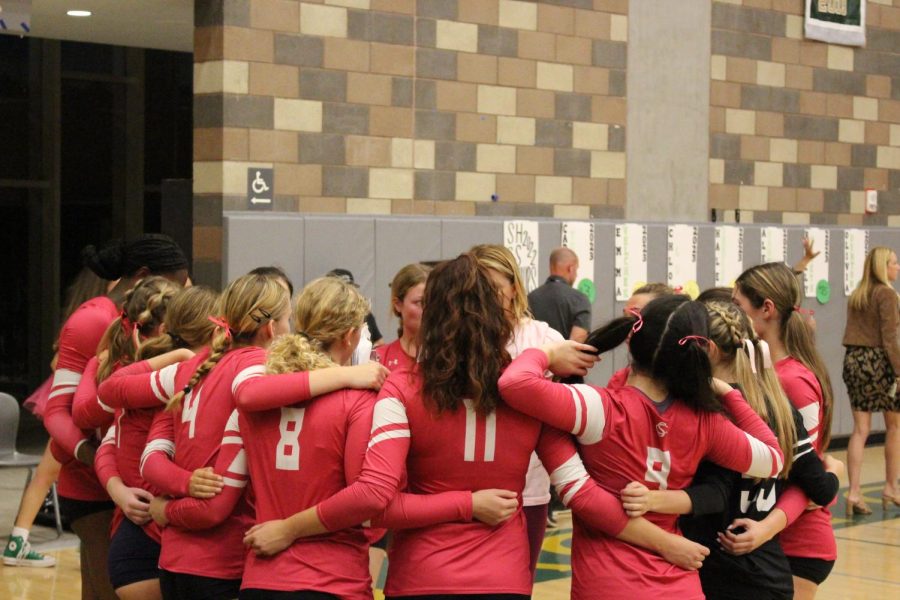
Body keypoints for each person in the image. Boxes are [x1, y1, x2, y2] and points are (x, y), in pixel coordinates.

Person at [243, 254, 710, 599]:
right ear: (498, 311)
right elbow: (581, 495)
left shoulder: (401, 391)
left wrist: (460, 504)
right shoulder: (527, 397)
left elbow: (380, 507)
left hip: (420, 579)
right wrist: (662, 541)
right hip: (503, 582)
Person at [498, 294, 785, 599]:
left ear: (632, 343)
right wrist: (727, 392)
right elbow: (773, 459)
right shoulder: (706, 421)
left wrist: (549, 352)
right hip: (678, 585)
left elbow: (514, 384)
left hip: (609, 583)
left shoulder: (601, 408)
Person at [619, 301, 842, 600]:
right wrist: (835, 473)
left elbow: (716, 493)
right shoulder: (777, 403)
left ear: (707, 349)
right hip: (767, 572)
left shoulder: (704, 408)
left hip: (709, 568)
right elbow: (819, 487)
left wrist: (651, 500)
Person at [42, 235, 188, 600]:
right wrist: (103, 469)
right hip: (95, 485)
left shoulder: (164, 331)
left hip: (135, 486)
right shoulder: (93, 321)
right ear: (143, 278)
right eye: (176, 284)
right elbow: (59, 413)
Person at [88, 284, 217, 600]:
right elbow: (95, 413)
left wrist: (117, 489)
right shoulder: (180, 374)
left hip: (154, 532)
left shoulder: (174, 371)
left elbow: (109, 441)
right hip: (153, 534)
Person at [732, 262, 837, 600]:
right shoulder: (759, 372)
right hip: (767, 540)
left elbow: (807, 476)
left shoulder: (792, 380)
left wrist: (766, 528)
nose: (732, 315)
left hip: (798, 543)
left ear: (767, 309)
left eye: (737, 306)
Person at [4, 266, 111, 569]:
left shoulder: (87, 313)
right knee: (46, 473)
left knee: (46, 473)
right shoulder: (94, 320)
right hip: (70, 407)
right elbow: (56, 362)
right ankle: (18, 542)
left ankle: (19, 541)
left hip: (72, 405)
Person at [471, 243, 563, 564]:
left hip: (527, 486)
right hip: (464, 485)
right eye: (477, 289)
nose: (486, 298)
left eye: (494, 288)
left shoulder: (540, 337)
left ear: (514, 288)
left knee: (519, 581)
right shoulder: (456, 338)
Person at [841, 246, 900, 514]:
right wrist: (898, 371)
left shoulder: (858, 295)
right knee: (894, 426)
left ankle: (853, 492)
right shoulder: (887, 294)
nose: (897, 268)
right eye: (894, 263)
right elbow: (890, 339)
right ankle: (891, 486)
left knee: (860, 429)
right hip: (879, 363)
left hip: (854, 360)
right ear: (882, 267)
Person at [527, 247, 591, 342]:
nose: (576, 275)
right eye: (576, 270)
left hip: (536, 356)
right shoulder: (580, 300)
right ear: (571, 268)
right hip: (564, 356)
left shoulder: (530, 298)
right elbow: (577, 344)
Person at [376, 263, 429, 371]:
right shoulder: (379, 359)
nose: (429, 309)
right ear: (398, 304)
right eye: (420, 302)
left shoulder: (448, 357)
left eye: (434, 301)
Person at [326, 268, 384, 348]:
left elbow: (380, 343)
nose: (347, 295)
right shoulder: (322, 317)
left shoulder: (364, 313)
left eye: (350, 289)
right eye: (341, 290)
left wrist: (366, 351)